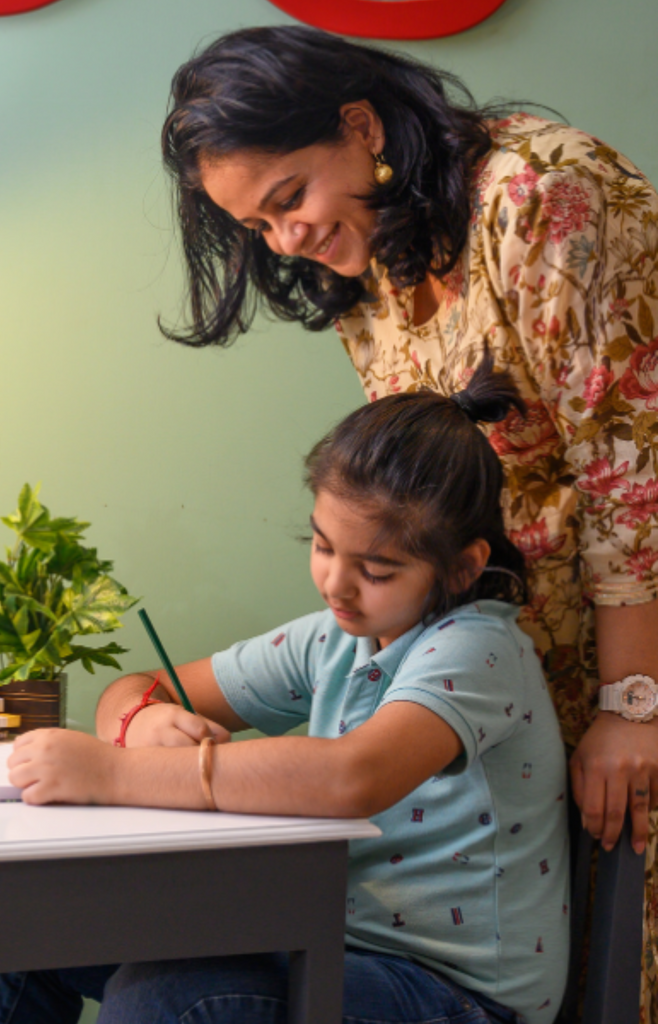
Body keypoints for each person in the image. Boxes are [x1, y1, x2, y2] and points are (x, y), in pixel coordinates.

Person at [158, 24, 658, 1021]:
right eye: (256, 226)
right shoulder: (376, 261)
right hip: (506, 668)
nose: (285, 239)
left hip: (626, 658)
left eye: (289, 198)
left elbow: (631, 469)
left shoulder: (541, 195)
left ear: (358, 123)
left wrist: (631, 702)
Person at [0, 355, 570, 1024]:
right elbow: (142, 686)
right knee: (40, 931)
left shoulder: (480, 647)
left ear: (461, 569)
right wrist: (140, 722)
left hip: (455, 993)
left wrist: (114, 771)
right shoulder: (334, 637)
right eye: (321, 547)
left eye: (375, 569)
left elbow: (351, 779)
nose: (335, 584)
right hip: (320, 942)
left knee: (163, 1002)